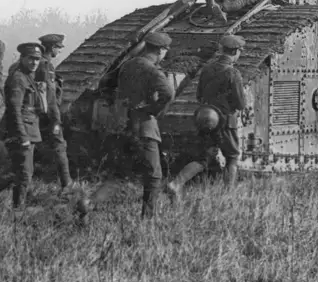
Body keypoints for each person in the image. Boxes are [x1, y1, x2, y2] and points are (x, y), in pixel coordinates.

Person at [77, 32, 175, 219]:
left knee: (121, 174)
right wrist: (152, 109)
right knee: (154, 176)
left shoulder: (127, 65)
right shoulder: (153, 71)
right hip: (144, 127)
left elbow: (105, 82)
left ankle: (89, 202)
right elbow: (168, 94)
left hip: (123, 126)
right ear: (161, 50)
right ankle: (148, 220)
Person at [166, 35, 247, 201]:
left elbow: (199, 96)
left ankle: (175, 184)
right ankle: (228, 196)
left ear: (222, 50)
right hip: (225, 121)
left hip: (207, 118)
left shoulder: (207, 69)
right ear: (236, 52)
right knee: (232, 156)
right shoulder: (233, 73)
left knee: (203, 158)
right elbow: (240, 104)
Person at [0, 43, 47, 214]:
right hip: (18, 131)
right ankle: (17, 210)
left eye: (37, 59)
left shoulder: (29, 76)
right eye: (31, 59)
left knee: (20, 170)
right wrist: (22, 137)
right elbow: (14, 110)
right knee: (25, 173)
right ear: (22, 58)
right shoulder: (18, 78)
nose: (34, 62)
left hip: (28, 129)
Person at [36, 34, 73, 193]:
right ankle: (67, 184)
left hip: (37, 114)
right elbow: (50, 97)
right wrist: (56, 120)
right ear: (51, 47)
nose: (59, 51)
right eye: (58, 47)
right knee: (60, 145)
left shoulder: (38, 63)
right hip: (47, 115)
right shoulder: (46, 67)